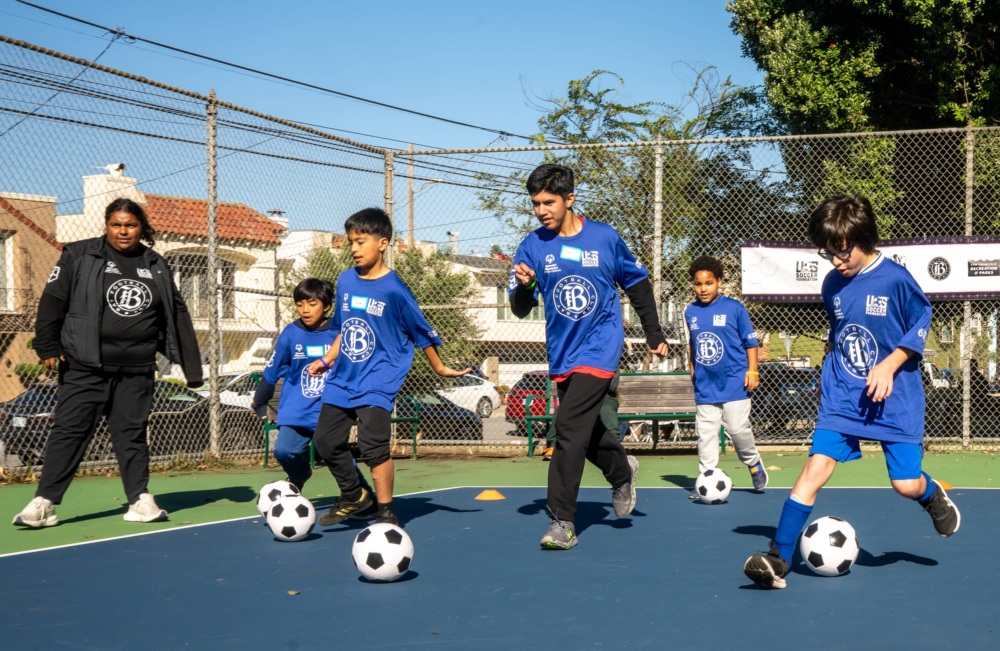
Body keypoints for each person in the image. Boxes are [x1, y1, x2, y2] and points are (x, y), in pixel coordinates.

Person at [743, 195, 961, 590]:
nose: (837, 261)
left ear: (865, 238)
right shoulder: (831, 284)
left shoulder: (895, 278)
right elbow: (842, 331)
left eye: (843, 251)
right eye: (829, 254)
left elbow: (922, 320)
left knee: (905, 484)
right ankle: (779, 557)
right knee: (815, 468)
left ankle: (931, 496)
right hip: (844, 395)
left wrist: (891, 364)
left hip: (896, 398)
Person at [13, 198, 203, 528]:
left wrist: (192, 367)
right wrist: (47, 345)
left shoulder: (155, 263)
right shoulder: (79, 255)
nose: (123, 231)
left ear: (141, 227)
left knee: (131, 435)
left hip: (137, 369)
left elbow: (177, 314)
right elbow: (52, 301)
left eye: (130, 225)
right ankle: (44, 503)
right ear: (106, 226)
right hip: (85, 366)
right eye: (116, 225)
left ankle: (139, 500)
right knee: (69, 432)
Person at [509, 164, 669, 550]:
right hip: (563, 352)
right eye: (536, 203)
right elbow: (518, 307)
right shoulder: (532, 246)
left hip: (601, 346)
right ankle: (621, 470)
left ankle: (562, 520)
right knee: (584, 428)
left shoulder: (604, 238)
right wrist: (526, 288)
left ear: (569, 199)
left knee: (567, 427)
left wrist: (653, 332)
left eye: (549, 201)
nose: (542, 210)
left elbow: (638, 284)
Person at [305, 208, 468, 528]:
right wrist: (326, 360)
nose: (354, 248)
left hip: (379, 378)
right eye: (351, 241)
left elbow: (421, 332)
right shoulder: (345, 280)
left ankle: (386, 511)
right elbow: (344, 329)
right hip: (342, 378)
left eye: (361, 241)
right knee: (324, 441)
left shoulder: (395, 290)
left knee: (372, 446)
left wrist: (440, 367)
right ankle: (355, 495)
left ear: (382, 243)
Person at [251, 278, 374, 504]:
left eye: (312, 303)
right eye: (300, 304)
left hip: (330, 407)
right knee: (284, 451)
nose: (305, 310)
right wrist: (259, 401)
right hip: (297, 408)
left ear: (326, 306)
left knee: (334, 452)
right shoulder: (290, 333)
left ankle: (360, 497)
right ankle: (300, 474)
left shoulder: (341, 331)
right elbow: (271, 371)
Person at [684, 255, 767, 498]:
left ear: (719, 282)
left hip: (734, 381)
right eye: (698, 284)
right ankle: (706, 478)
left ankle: (753, 462)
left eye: (708, 283)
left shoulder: (734, 308)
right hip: (705, 386)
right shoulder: (691, 312)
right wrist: (691, 365)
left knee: (738, 429)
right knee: (706, 434)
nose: (703, 289)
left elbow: (750, 343)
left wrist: (752, 370)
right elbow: (693, 342)